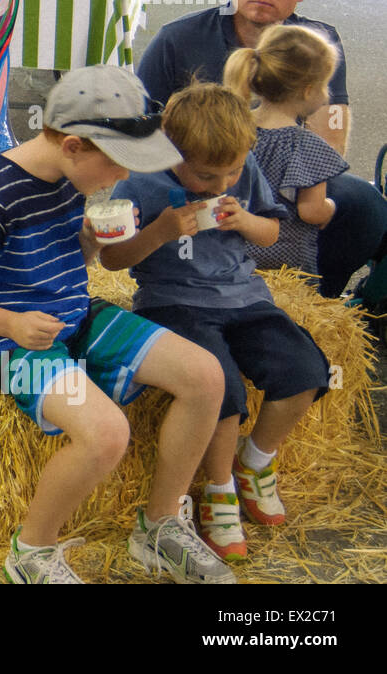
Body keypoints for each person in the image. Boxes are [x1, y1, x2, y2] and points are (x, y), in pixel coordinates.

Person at [0, 65, 233, 585]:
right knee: (106, 435)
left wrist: (89, 239)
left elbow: (72, 262)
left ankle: (159, 526)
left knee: (206, 375)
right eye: (118, 163)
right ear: (75, 146)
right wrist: (9, 324)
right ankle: (31, 552)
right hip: (4, 341)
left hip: (70, 313)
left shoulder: (66, 177)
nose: (123, 177)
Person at [101, 84, 329, 562]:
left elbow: (272, 230)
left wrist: (244, 220)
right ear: (170, 152)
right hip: (170, 302)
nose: (222, 184)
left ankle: (255, 462)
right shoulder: (139, 181)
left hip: (244, 297)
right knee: (222, 389)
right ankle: (219, 489)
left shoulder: (238, 175)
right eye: (206, 175)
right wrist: (161, 230)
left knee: (306, 369)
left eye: (232, 170)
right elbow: (113, 261)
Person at [136, 0, 387, 296]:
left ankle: (320, 297)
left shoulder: (318, 42)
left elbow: (330, 136)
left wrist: (290, 186)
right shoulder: (177, 38)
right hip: (197, 181)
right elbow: (141, 133)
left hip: (287, 176)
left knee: (366, 205)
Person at [223, 25, 347, 278]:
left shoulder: (232, 128)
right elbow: (311, 212)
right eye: (325, 85)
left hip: (228, 255)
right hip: (283, 267)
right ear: (308, 90)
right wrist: (332, 207)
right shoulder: (307, 147)